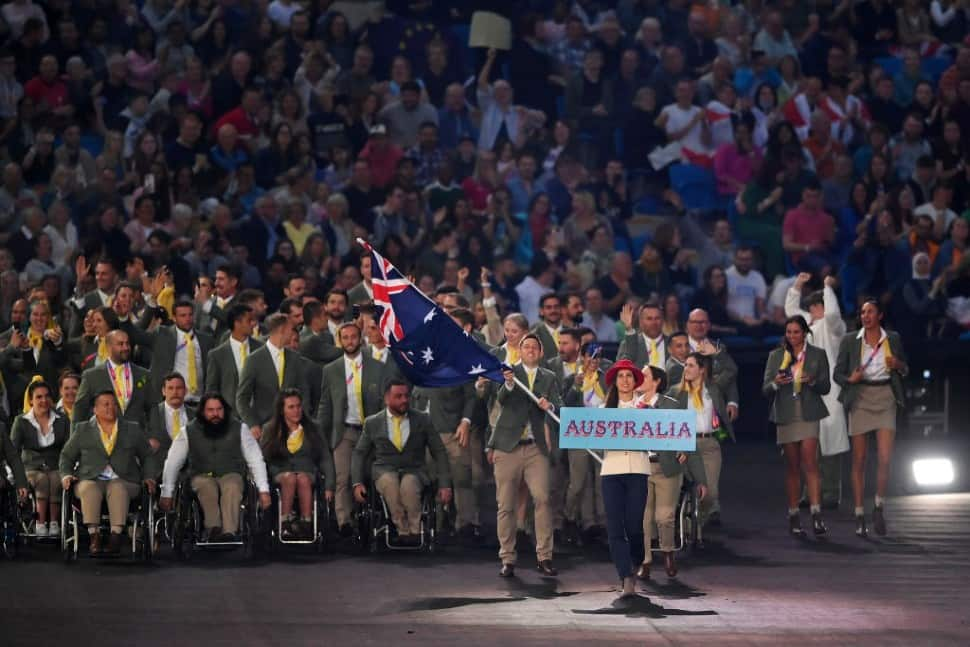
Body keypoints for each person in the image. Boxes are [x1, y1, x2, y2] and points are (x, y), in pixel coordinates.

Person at [479, 333, 561, 578]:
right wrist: (510, 383)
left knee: (543, 499)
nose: (530, 350)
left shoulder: (549, 377)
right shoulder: (509, 373)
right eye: (526, 346)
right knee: (505, 504)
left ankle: (544, 556)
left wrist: (552, 406)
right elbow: (501, 398)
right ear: (520, 351)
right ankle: (507, 557)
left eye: (535, 347)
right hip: (507, 446)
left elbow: (559, 403)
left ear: (541, 352)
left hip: (536, 447)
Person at [833, 300, 908, 538]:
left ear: (880, 315)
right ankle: (858, 514)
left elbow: (906, 369)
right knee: (859, 459)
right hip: (861, 397)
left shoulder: (892, 338)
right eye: (862, 312)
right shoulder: (850, 340)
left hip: (885, 395)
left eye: (870, 312)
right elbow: (837, 373)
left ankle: (878, 506)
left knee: (885, 458)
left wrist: (897, 364)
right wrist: (850, 379)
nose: (865, 315)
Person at [159, 392, 271, 543]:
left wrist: (263, 490)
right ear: (203, 412)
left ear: (224, 410)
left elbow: (255, 460)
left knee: (232, 485)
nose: (215, 414)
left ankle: (229, 532)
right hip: (200, 475)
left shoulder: (240, 429)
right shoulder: (188, 432)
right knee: (206, 485)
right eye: (210, 410)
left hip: (231, 473)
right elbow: (172, 462)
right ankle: (213, 529)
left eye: (219, 409)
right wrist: (167, 492)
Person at [352, 379, 453, 544]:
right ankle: (402, 530)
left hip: (414, 469)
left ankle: (415, 531)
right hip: (384, 469)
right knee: (390, 484)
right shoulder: (373, 422)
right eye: (398, 396)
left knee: (409, 486)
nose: (404, 400)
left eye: (406, 396)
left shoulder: (423, 419)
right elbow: (359, 453)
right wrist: (357, 483)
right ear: (387, 399)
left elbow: (439, 452)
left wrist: (445, 484)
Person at [59, 391, 157, 556]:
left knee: (117, 487)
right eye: (105, 404)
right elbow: (66, 456)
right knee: (89, 488)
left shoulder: (132, 429)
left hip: (125, 479)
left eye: (113, 404)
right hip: (89, 478)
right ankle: (94, 536)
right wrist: (66, 475)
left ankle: (115, 536)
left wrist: (149, 477)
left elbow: (147, 455)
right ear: (95, 409)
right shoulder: (82, 429)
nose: (110, 407)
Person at [762, 316, 831, 536]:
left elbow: (826, 387)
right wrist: (776, 383)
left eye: (796, 332)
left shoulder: (817, 354)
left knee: (810, 462)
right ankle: (793, 514)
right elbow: (765, 389)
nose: (792, 336)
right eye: (789, 332)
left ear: (805, 333)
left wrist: (812, 380)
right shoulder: (776, 356)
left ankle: (816, 514)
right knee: (792, 466)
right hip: (786, 414)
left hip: (809, 413)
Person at [316, 321, 386, 534]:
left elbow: (385, 402)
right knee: (342, 478)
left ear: (360, 338)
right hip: (344, 431)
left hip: (371, 432)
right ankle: (344, 523)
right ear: (339, 341)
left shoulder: (378, 368)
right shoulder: (331, 370)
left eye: (353, 337)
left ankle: (375, 520)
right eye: (344, 337)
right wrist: (321, 435)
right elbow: (325, 405)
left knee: (373, 476)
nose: (349, 341)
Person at [638, 365, 707, 580]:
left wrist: (700, 479)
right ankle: (645, 561)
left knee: (664, 516)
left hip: (666, 468)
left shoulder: (672, 407)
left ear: (656, 381)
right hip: (640, 467)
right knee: (643, 516)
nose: (639, 378)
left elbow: (687, 439)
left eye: (645, 375)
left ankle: (668, 553)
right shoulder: (632, 406)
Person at [785, 273, 848, 508]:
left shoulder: (834, 328)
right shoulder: (806, 328)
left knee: (830, 438)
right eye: (810, 306)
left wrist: (828, 287)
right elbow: (791, 311)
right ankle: (810, 492)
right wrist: (797, 285)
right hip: (805, 389)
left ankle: (831, 493)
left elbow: (832, 315)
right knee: (808, 441)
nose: (812, 310)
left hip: (829, 391)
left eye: (816, 305)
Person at [598, 359, 651, 598]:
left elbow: (661, 437)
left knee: (634, 526)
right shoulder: (603, 411)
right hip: (611, 471)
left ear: (635, 381)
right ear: (615, 381)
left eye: (629, 376)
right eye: (621, 376)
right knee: (615, 527)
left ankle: (637, 558)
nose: (625, 380)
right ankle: (625, 575)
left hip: (638, 471)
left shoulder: (646, 410)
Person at [666, 352, 732, 542]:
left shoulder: (714, 389)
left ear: (702, 370)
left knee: (710, 494)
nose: (686, 368)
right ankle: (687, 527)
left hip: (709, 444)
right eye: (685, 365)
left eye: (691, 365)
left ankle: (698, 522)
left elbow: (730, 370)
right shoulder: (675, 392)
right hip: (685, 445)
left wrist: (717, 351)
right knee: (684, 488)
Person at [260, 389, 335, 539]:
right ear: (282, 410)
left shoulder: (313, 427)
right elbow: (263, 459)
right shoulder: (270, 429)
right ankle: (285, 522)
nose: (296, 410)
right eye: (291, 407)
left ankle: (306, 523)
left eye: (298, 406)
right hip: (281, 471)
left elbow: (325, 457)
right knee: (290, 478)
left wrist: (329, 486)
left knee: (302, 478)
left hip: (307, 472)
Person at [236, 312, 309, 439]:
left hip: (294, 430)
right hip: (264, 430)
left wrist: (303, 423)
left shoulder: (295, 358)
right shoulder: (254, 360)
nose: (294, 333)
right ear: (282, 329)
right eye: (291, 329)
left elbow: (304, 394)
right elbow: (242, 398)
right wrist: (253, 424)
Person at [10, 380, 65, 537]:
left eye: (47, 396)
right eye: (39, 397)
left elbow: (68, 448)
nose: (43, 400)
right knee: (41, 479)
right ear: (31, 400)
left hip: (55, 466)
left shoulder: (62, 420)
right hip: (30, 468)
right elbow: (13, 451)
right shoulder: (21, 421)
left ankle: (54, 523)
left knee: (56, 478)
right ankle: (40, 523)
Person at [73, 329, 152, 429]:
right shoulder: (91, 376)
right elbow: (79, 412)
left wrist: (153, 436)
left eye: (127, 343)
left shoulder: (144, 374)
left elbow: (153, 408)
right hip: (105, 440)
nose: (126, 347)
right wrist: (75, 441)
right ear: (109, 347)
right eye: (120, 344)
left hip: (137, 439)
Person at [204, 304, 263, 410]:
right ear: (237, 323)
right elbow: (212, 391)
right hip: (230, 417)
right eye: (249, 321)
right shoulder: (217, 355)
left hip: (259, 416)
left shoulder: (262, 349)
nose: (254, 324)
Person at [146, 372, 194, 474]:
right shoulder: (150, 414)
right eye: (170, 388)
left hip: (190, 472)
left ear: (185, 391)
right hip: (158, 472)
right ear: (163, 391)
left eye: (179, 388)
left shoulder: (196, 416)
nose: (175, 392)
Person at [618, 302, 668, 368]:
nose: (654, 323)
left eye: (657, 318)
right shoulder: (628, 344)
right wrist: (629, 329)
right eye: (649, 319)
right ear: (641, 322)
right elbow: (622, 369)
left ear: (663, 320)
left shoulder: (672, 343)